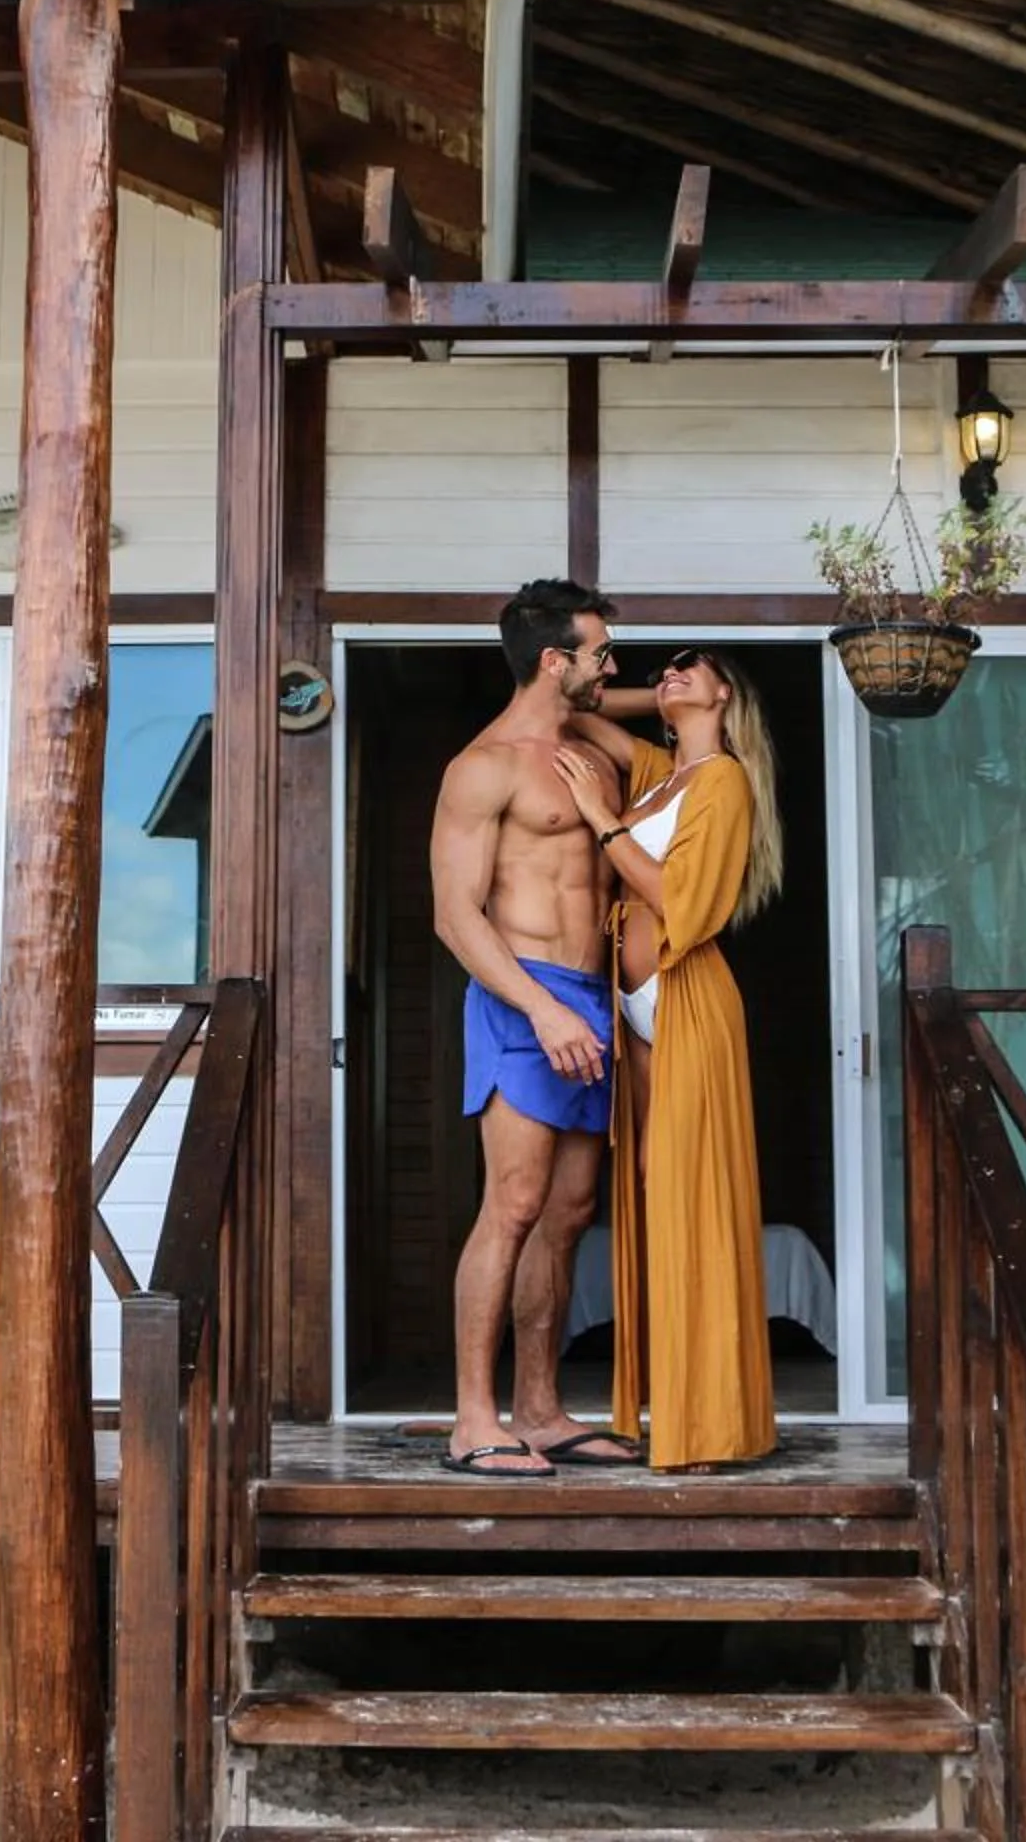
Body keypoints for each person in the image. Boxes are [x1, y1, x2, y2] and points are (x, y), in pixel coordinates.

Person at [427, 579, 646, 1477]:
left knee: (568, 1214)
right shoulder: (484, 766)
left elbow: (644, 707)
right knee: (513, 1205)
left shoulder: (588, 753)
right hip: (526, 998)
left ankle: (541, 1409)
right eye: (598, 652)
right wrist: (543, 1006)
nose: (613, 667)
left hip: (593, 999)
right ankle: (474, 1420)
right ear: (555, 660)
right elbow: (455, 915)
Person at [557, 647, 784, 1471]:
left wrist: (601, 819)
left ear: (728, 692)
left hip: (689, 1002)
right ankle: (668, 1406)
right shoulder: (660, 773)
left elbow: (676, 897)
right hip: (638, 1011)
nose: (675, 671)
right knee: (652, 1197)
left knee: (692, 1203)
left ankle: (711, 1421)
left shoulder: (722, 780)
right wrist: (628, 690)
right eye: (668, 667)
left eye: (697, 667)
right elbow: (576, 711)